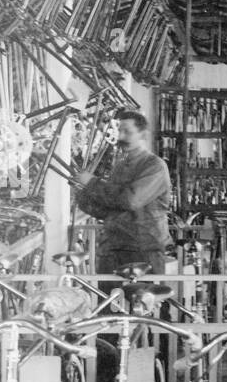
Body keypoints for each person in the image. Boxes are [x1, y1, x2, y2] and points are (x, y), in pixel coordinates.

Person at [73, 109, 171, 276]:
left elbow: (131, 200)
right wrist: (83, 195)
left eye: (128, 132)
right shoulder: (120, 166)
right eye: (119, 131)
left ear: (143, 135)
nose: (121, 137)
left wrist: (92, 182)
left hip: (142, 250)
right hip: (113, 247)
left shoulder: (155, 166)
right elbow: (108, 209)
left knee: (141, 299)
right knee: (108, 299)